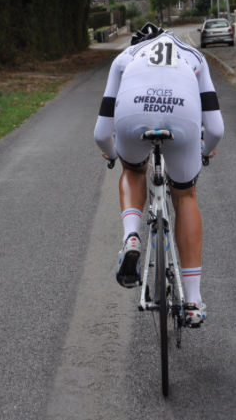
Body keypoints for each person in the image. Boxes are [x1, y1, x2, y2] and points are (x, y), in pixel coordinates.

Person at [93, 23, 224, 327]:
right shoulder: (193, 56)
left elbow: (101, 134)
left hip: (133, 113)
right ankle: (192, 300)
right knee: (185, 194)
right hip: (182, 114)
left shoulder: (125, 57)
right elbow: (216, 129)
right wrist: (204, 150)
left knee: (134, 169)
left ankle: (131, 237)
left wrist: (115, 155)